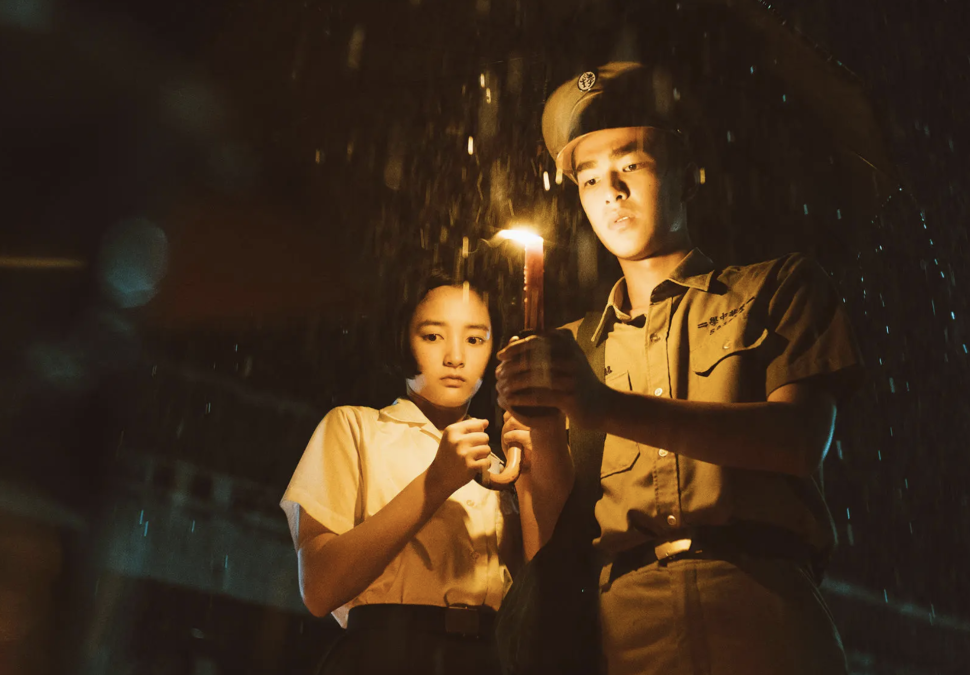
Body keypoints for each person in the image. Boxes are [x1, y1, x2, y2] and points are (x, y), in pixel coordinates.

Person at [497, 62, 863, 675]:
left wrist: (604, 407)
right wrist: (538, 429)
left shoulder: (778, 291)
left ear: (690, 171)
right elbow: (553, 543)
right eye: (588, 179)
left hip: (764, 617)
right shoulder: (571, 351)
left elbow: (799, 443)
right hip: (627, 636)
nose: (609, 190)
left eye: (630, 164)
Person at [280, 272, 522, 675]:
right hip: (384, 653)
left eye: (475, 339)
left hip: (486, 658)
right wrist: (436, 483)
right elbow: (319, 588)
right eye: (432, 336)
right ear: (401, 339)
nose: (455, 357)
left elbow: (534, 589)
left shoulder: (499, 465)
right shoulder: (355, 428)